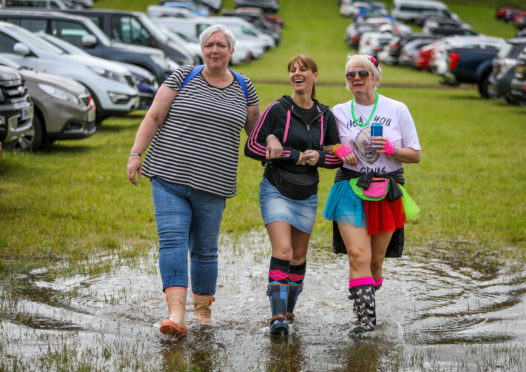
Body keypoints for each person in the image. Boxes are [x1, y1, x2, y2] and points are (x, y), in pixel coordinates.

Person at [126, 24, 260, 337]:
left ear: (231, 51)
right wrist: (135, 154)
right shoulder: (182, 76)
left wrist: (283, 147)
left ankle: (202, 312)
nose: (215, 50)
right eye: (209, 45)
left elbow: (256, 132)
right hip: (168, 175)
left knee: (204, 250)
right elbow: (154, 116)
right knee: (172, 241)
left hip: (214, 184)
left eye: (221, 45)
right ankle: (176, 314)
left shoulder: (244, 86)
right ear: (202, 50)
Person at [245, 55, 347, 336]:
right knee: (283, 251)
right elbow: (251, 146)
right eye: (292, 70)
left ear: (315, 75)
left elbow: (338, 156)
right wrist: (287, 150)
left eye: (303, 69)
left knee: (298, 258)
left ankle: (289, 311)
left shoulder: (325, 115)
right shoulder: (277, 109)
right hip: (275, 188)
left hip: (306, 194)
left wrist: (318, 158)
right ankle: (277, 318)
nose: (297, 73)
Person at [323, 54, 421, 336]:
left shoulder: (397, 109)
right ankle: (366, 322)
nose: (356, 79)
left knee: (375, 261)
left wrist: (392, 150)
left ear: (375, 78)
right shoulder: (339, 112)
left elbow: (415, 155)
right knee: (357, 255)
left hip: (387, 190)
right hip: (350, 187)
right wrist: (338, 150)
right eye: (351, 74)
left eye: (363, 74)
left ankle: (363, 301)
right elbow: (326, 143)